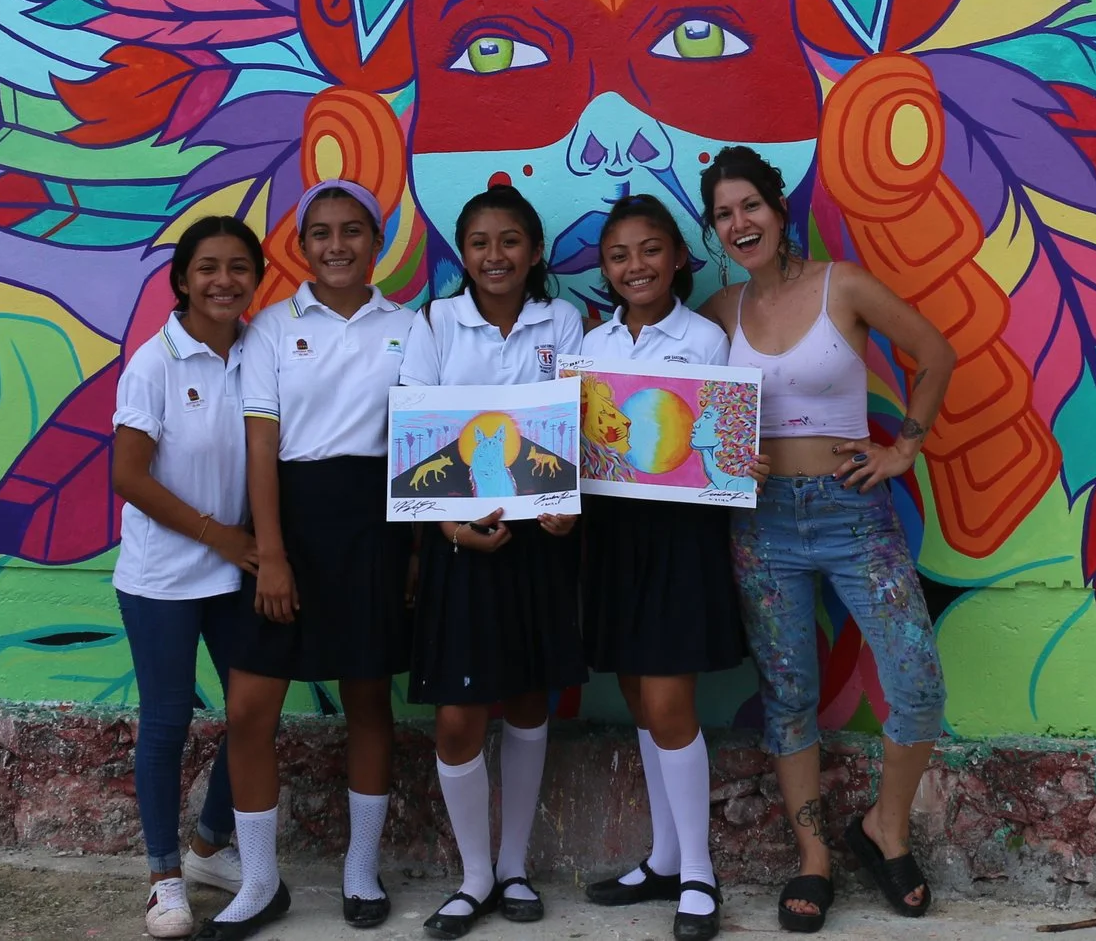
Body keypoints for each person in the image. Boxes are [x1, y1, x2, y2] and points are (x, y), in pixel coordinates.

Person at [698, 147, 956, 932]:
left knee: (916, 680)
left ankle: (886, 827)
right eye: (723, 214)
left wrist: (903, 445)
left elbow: (935, 352)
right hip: (762, 523)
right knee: (790, 696)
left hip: (853, 514)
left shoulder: (841, 284)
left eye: (751, 205)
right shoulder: (718, 313)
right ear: (715, 231)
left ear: (779, 209)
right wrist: (726, 458)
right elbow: (692, 421)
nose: (739, 223)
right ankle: (813, 858)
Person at [206, 180, 417, 941]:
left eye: (352, 230)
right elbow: (262, 444)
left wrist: (418, 551)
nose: (336, 245)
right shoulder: (268, 328)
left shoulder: (410, 325)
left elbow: (421, 441)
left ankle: (362, 869)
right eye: (320, 231)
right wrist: (270, 554)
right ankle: (261, 880)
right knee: (249, 708)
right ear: (300, 245)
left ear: (376, 239)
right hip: (287, 522)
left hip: (373, 526)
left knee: (367, 699)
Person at [400, 185, 586, 938]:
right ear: (462, 254)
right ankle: (473, 875)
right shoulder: (436, 323)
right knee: (456, 718)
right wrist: (447, 526)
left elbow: (576, 428)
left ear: (534, 251)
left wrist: (568, 505)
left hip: (538, 540)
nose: (495, 255)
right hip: (460, 544)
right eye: (479, 242)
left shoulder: (563, 319)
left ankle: (513, 867)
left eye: (510, 240)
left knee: (530, 700)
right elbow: (414, 430)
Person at [575, 195, 745, 941]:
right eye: (618, 255)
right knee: (642, 698)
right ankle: (666, 855)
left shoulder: (706, 338)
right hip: (612, 537)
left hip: (681, 538)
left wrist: (738, 451)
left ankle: (700, 874)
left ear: (679, 257)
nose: (634, 265)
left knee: (672, 704)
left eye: (650, 250)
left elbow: (725, 439)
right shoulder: (590, 345)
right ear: (605, 270)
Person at [112, 216, 267, 939]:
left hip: (238, 572)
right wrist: (222, 536)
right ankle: (165, 878)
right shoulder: (155, 362)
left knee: (251, 714)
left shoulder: (261, 349)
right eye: (208, 267)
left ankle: (209, 844)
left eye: (239, 266)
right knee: (167, 723)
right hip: (164, 576)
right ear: (182, 278)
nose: (224, 280)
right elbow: (129, 476)